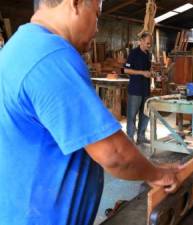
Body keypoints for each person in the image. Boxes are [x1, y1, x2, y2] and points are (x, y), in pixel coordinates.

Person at [0, 0, 178, 225]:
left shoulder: (20, 46)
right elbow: (114, 155)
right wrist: (158, 175)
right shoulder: (52, 55)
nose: (97, 28)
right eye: (96, 15)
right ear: (75, 4)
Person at [124, 32, 152, 145]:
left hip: (145, 89)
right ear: (141, 41)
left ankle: (141, 136)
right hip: (135, 90)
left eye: (150, 44)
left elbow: (147, 71)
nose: (149, 45)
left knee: (145, 114)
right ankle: (130, 138)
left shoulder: (148, 54)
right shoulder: (134, 53)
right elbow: (126, 70)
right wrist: (142, 73)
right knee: (132, 115)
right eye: (147, 43)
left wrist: (151, 74)